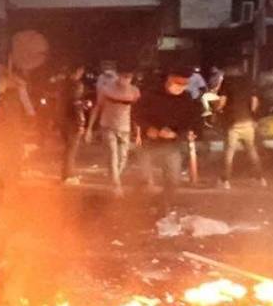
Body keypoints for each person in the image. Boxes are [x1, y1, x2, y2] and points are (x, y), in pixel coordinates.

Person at [135, 69, 203, 204]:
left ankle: (164, 206)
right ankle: (138, 207)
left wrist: (186, 132)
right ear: (169, 80)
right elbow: (137, 114)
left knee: (173, 181)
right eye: (178, 83)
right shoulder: (151, 95)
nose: (181, 87)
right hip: (149, 145)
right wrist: (149, 128)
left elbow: (192, 119)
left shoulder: (186, 98)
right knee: (145, 182)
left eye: (185, 84)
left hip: (172, 145)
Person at [87, 65, 141, 196]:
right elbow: (98, 107)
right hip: (108, 126)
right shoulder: (107, 90)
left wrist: (138, 133)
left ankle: (114, 179)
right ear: (119, 76)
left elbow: (137, 114)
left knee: (123, 158)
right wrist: (89, 128)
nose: (126, 80)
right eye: (124, 76)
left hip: (125, 128)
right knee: (112, 155)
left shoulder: (134, 92)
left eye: (128, 77)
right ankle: (116, 186)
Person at [217, 76, 267, 189]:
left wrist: (218, 110)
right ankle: (260, 179)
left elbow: (222, 101)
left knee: (229, 152)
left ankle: (225, 181)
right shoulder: (248, 81)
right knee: (251, 150)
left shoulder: (227, 81)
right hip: (248, 122)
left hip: (233, 122)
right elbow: (254, 101)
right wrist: (252, 116)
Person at [59, 66, 92, 184]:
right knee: (71, 149)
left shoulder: (62, 84)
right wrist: (81, 123)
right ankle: (68, 175)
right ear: (78, 71)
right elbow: (76, 104)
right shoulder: (77, 85)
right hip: (73, 121)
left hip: (63, 120)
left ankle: (67, 173)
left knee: (68, 149)